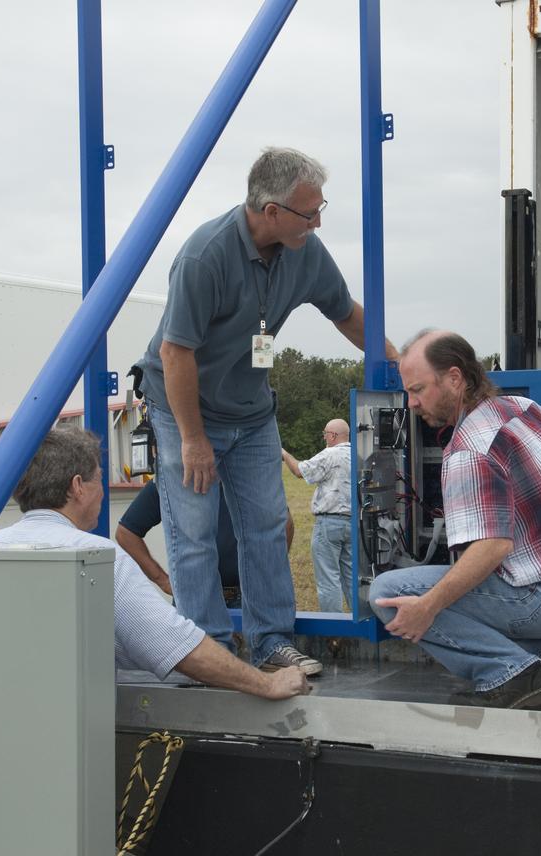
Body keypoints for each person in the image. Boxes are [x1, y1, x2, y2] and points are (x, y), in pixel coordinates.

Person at [134, 146, 397, 677]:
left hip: (252, 413)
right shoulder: (204, 256)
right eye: (310, 211)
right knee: (194, 533)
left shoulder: (306, 251)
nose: (318, 221)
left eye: (322, 208)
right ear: (271, 211)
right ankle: (208, 652)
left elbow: (346, 314)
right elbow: (174, 352)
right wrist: (192, 440)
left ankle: (271, 642)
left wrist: (400, 362)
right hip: (184, 408)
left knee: (267, 526)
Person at [0, 428, 309, 701]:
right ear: (76, 487)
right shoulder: (95, 558)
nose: (101, 493)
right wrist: (265, 684)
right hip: (63, 747)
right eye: (98, 480)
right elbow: (179, 650)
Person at [369, 330, 541, 709]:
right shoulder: (521, 408)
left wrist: (426, 608)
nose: (411, 403)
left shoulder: (467, 450)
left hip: (536, 602)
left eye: (418, 390)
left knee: (386, 594)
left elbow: (491, 548)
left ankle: (512, 672)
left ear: (454, 378)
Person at [114, 478, 296, 606]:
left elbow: (284, 522)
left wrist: (269, 575)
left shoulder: (246, 475)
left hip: (246, 599)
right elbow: (126, 534)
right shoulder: (171, 478)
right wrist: (163, 581)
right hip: (193, 599)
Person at [281, 419, 353, 612]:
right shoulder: (357, 454)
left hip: (329, 522)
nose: (324, 437)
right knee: (352, 578)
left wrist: (284, 454)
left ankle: (334, 632)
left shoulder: (330, 454)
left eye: (325, 434)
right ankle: (359, 623)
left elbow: (299, 471)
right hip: (353, 524)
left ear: (333, 436)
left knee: (328, 579)